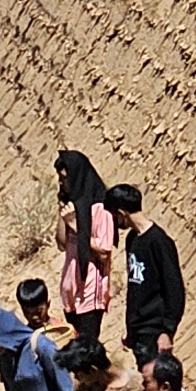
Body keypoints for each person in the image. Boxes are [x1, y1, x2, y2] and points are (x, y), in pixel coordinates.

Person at [107, 184, 186, 363]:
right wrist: (131, 327)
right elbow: (136, 288)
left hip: (155, 330)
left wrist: (167, 331)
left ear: (121, 212)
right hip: (139, 331)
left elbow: (174, 289)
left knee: (158, 384)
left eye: (114, 216)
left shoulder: (159, 242)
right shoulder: (133, 239)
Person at [56, 148, 120, 352]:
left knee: (87, 349)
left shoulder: (101, 208)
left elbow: (103, 252)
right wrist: (63, 212)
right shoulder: (73, 207)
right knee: (77, 349)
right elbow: (61, 243)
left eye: (65, 179)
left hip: (90, 291)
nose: (61, 183)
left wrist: (76, 226)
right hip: (72, 291)